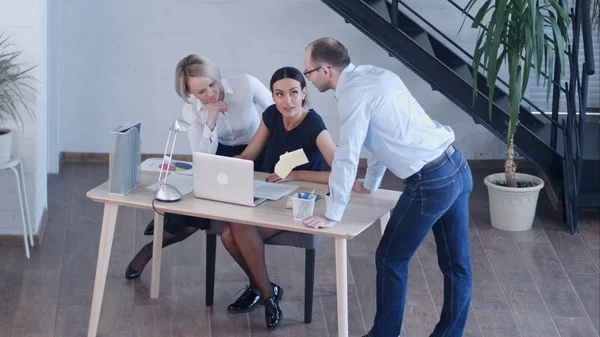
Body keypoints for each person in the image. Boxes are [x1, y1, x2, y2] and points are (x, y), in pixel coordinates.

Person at [301, 38, 473, 337]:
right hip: (456, 165)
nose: (309, 78)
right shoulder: (375, 75)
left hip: (430, 183)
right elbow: (382, 134)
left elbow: (348, 153)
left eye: (309, 72)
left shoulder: (353, 94)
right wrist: (371, 183)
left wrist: (333, 213)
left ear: (326, 69)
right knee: (456, 264)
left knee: (390, 259)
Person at [125, 54, 273, 279]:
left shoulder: (245, 83)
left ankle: (258, 283)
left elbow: (276, 111)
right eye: (200, 92)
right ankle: (149, 249)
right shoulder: (192, 110)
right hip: (219, 155)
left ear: (216, 76)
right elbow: (202, 155)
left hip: (258, 150)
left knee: (238, 215)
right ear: (189, 93)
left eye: (212, 85)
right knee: (192, 220)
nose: (210, 94)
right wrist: (211, 120)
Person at [220, 66, 338, 331]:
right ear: (272, 96)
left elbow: (338, 174)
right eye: (280, 94)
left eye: (294, 93)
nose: (288, 101)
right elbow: (250, 154)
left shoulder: (314, 124)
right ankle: (266, 291)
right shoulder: (272, 115)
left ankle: (263, 293)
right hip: (271, 192)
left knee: (234, 229)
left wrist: (296, 175)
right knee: (229, 233)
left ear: (304, 93)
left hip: (303, 200)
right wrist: (223, 165)